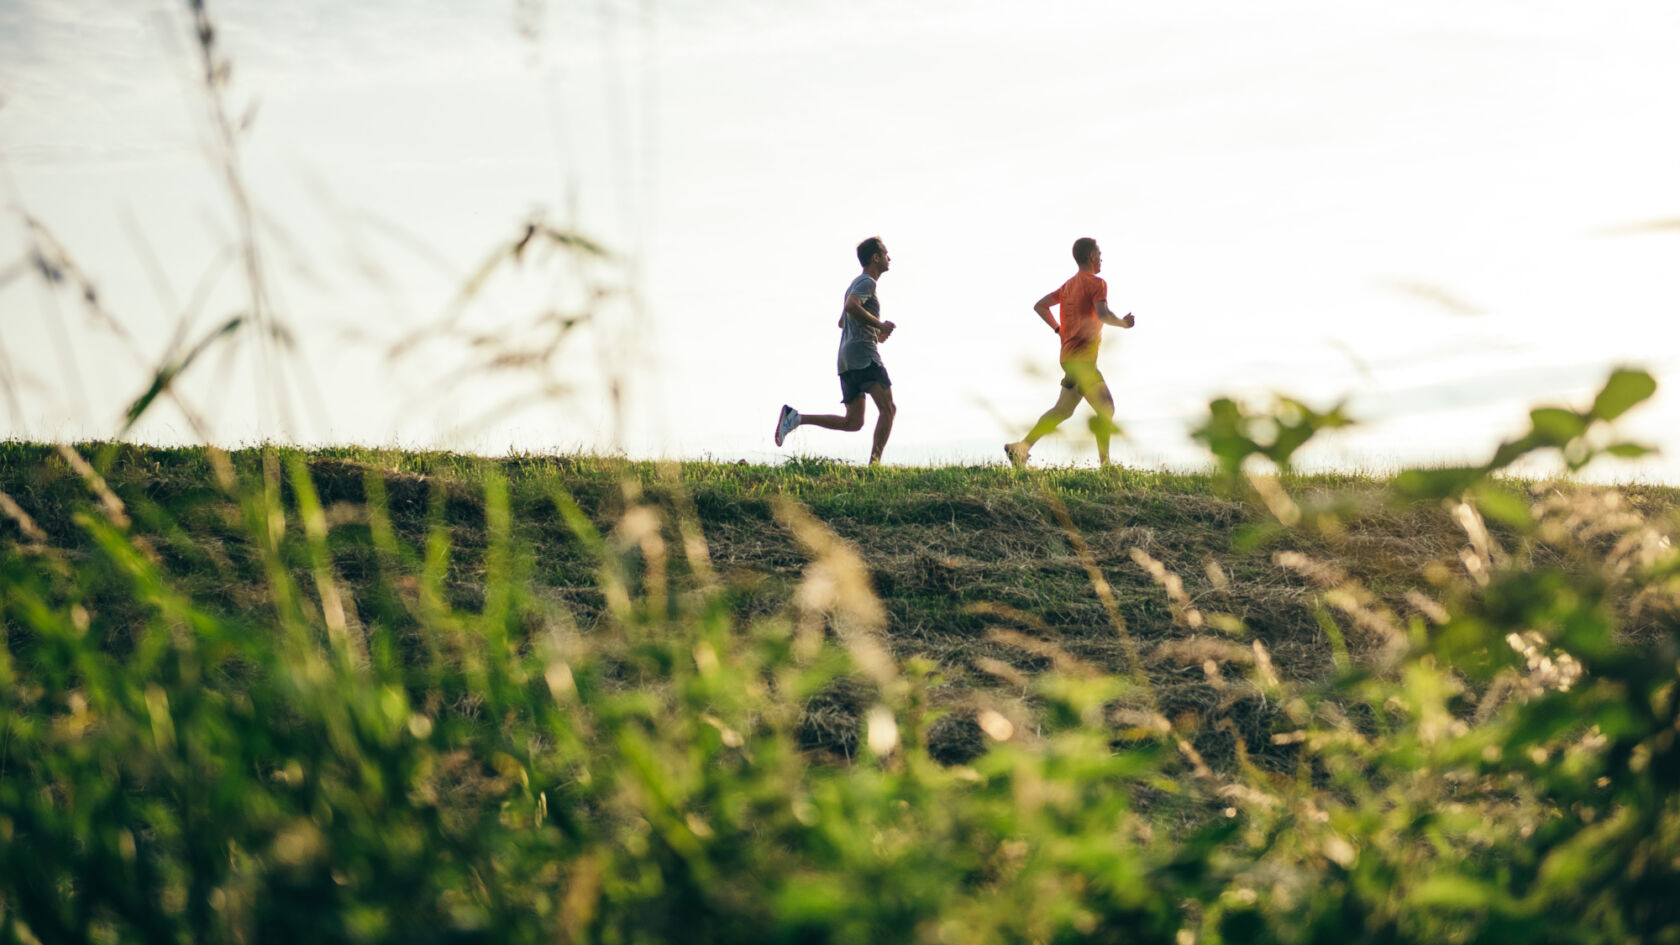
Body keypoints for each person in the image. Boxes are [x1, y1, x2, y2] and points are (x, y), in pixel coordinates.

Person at [1005, 237, 1135, 468]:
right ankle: (1105, 466)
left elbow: (1040, 305)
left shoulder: (1067, 286)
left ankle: (1020, 448)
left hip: (1068, 358)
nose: (1102, 258)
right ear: (1092, 257)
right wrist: (1123, 324)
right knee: (1106, 409)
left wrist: (1058, 329)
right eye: (1100, 253)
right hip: (1082, 360)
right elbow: (1103, 314)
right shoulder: (1097, 284)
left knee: (1063, 410)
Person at [774, 237, 898, 464]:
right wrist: (879, 325)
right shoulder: (867, 282)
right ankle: (874, 466)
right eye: (886, 253)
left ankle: (796, 418)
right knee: (888, 409)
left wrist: (874, 332)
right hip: (863, 357)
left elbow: (843, 321)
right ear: (876, 257)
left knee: (854, 422)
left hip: (846, 359)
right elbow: (851, 308)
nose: (890, 258)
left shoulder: (855, 283)